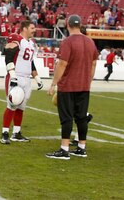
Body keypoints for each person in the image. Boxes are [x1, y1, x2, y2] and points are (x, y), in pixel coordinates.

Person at [46, 15, 98, 160]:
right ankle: (81, 148)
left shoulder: (68, 42)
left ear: (67, 25)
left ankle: (64, 149)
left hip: (68, 85)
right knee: (81, 117)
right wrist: (89, 80)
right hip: (84, 85)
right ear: (80, 25)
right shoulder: (90, 41)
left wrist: (53, 83)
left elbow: (62, 64)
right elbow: (93, 64)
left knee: (67, 118)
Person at [0, 21, 44, 144]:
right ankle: (4, 133)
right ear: (24, 28)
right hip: (16, 76)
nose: (34, 30)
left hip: (26, 78)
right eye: (32, 28)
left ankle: (16, 132)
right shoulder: (17, 38)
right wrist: (12, 74)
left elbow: (30, 62)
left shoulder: (31, 43)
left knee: (21, 106)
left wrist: (37, 78)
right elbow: (8, 55)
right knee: (12, 104)